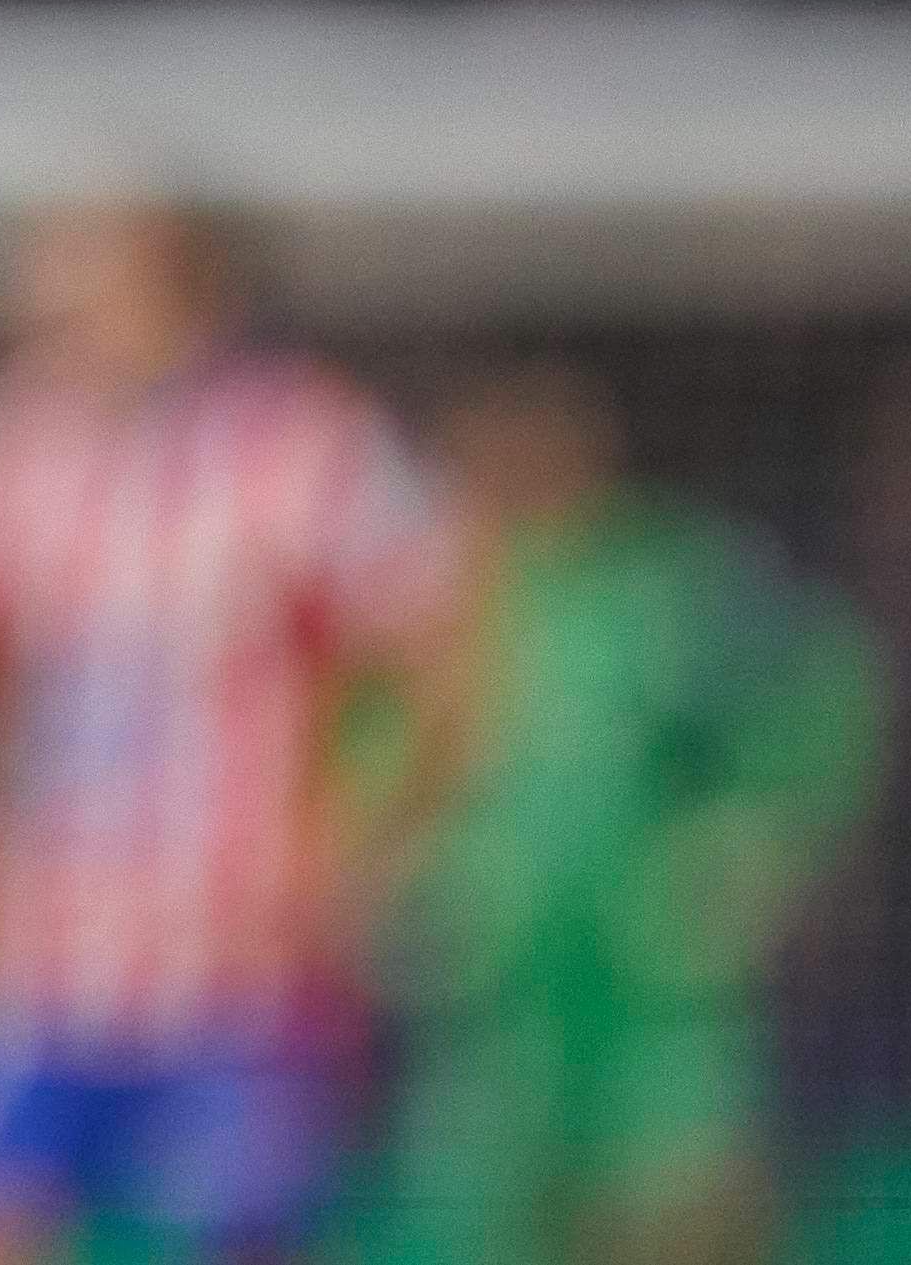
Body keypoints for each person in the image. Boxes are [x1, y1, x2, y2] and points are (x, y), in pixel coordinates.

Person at [0, 199, 455, 1265]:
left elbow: (442, 655)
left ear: (183, 293)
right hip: (34, 949)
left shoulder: (305, 440)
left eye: (84, 278)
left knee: (244, 1236)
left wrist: (371, 835)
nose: (46, 308)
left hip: (246, 959)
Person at [370, 361, 881, 1265]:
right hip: (503, 984)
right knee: (493, 1214)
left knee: (681, 1214)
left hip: (652, 979)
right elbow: (362, 746)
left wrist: (749, 846)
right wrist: (402, 866)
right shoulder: (433, 594)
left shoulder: (673, 574)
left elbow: (826, 695)